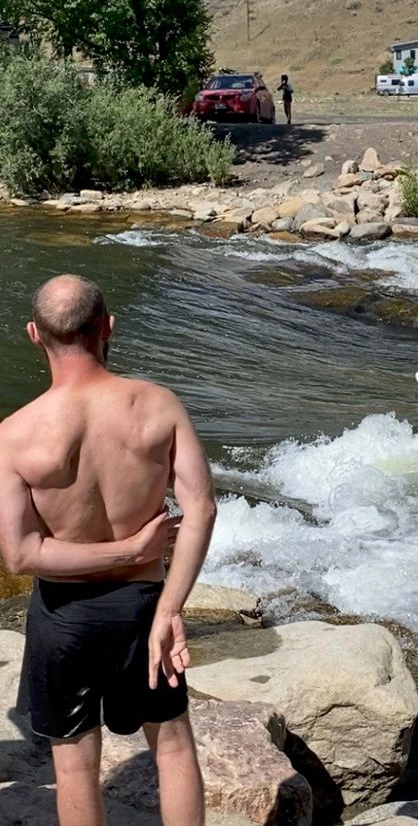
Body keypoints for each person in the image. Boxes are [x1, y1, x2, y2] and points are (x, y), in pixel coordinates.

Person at [0, 274, 217, 826]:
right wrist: (168, 605)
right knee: (172, 746)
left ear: (34, 335)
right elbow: (202, 509)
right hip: (143, 608)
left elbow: (21, 556)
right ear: (109, 328)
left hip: (63, 617)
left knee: (74, 767)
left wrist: (121, 554)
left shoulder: (15, 435)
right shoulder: (159, 406)